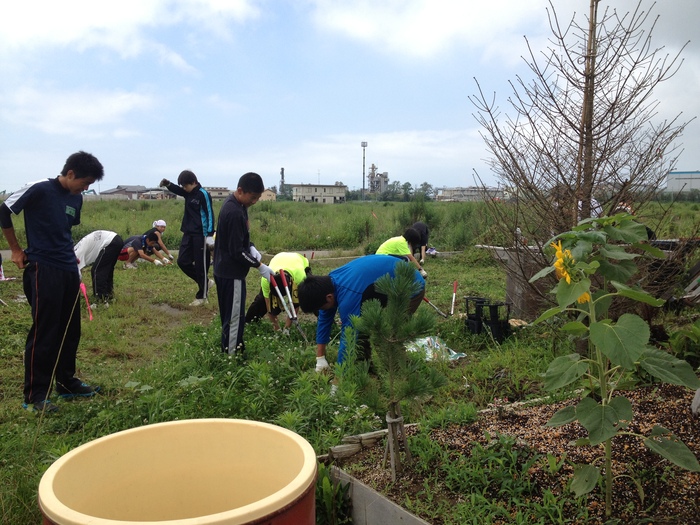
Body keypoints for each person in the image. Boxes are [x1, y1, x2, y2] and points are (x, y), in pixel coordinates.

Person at [0, 151, 104, 413]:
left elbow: (64, 230)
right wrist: (15, 249)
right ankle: (35, 395)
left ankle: (67, 384)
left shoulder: (76, 198)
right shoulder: (39, 189)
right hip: (43, 268)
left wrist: (73, 262)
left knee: (70, 330)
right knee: (45, 331)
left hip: (68, 269)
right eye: (85, 182)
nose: (86, 187)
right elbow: (3, 211)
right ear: (70, 173)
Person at [297, 254, 426, 372]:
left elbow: (348, 338)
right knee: (362, 328)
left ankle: (403, 376)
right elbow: (324, 320)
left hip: (410, 286)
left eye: (321, 308)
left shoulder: (348, 295)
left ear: (329, 297)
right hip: (379, 290)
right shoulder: (327, 285)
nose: (323, 311)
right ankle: (366, 371)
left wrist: (337, 381)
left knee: (385, 334)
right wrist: (320, 358)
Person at [213, 172, 273, 355]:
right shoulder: (234, 212)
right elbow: (237, 251)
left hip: (224, 269)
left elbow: (238, 239)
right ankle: (231, 356)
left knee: (230, 315)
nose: (254, 201)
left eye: (258, 198)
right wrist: (259, 266)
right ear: (240, 190)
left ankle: (231, 346)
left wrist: (251, 246)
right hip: (231, 274)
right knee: (234, 318)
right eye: (253, 197)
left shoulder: (238, 205)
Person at [160, 171, 215, 306]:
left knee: (201, 266)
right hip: (188, 233)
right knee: (182, 261)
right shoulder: (188, 193)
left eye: (186, 186)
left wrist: (209, 235)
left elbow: (210, 214)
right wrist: (168, 184)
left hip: (201, 235)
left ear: (193, 182)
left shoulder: (203, 194)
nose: (184, 188)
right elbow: (178, 190)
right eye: (183, 186)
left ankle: (202, 297)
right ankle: (206, 283)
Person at [245, 252, 311, 331]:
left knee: (311, 294)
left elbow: (295, 304)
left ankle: (322, 319)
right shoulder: (266, 279)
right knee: (261, 300)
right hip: (279, 258)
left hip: (299, 261)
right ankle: (248, 323)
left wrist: (287, 328)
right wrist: (276, 327)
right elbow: (268, 305)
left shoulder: (300, 278)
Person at [74, 230, 124, 304]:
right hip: (116, 239)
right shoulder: (75, 251)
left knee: (96, 271)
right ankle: (108, 296)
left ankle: (100, 300)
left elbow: (77, 278)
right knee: (107, 270)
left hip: (109, 242)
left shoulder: (76, 256)